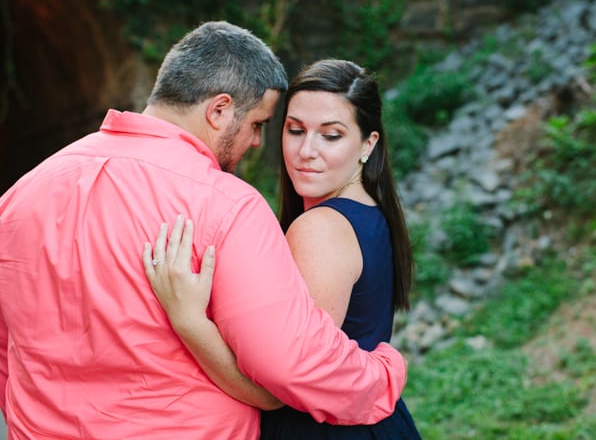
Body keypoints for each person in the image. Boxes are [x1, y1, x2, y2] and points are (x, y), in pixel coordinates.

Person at [0, 22, 406, 439]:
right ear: (219, 110)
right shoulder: (226, 205)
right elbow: (287, 364)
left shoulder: (21, 195)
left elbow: (6, 348)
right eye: (260, 124)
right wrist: (382, 376)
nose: (255, 143)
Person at [143, 59, 422, 438]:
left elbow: (282, 381)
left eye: (331, 135)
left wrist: (189, 319)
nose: (307, 150)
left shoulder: (321, 228)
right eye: (295, 130)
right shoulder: (370, 212)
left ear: (367, 144)